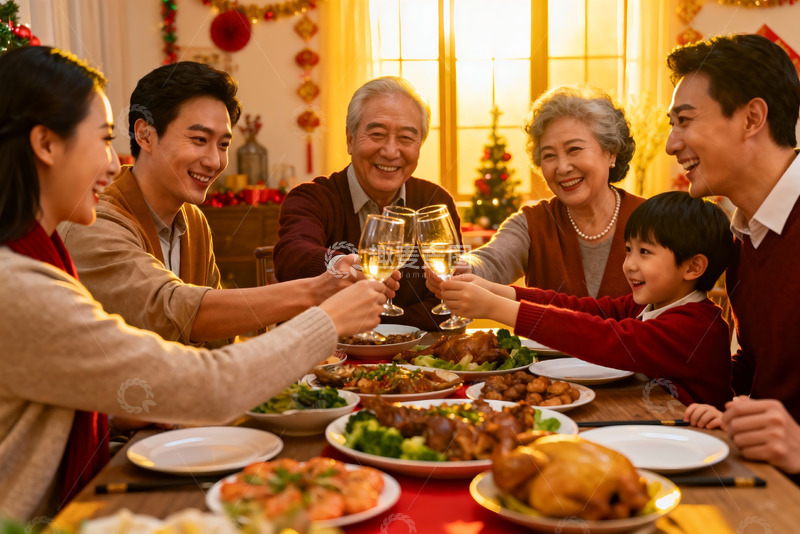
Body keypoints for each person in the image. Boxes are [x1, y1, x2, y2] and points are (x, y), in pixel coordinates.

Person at [0, 46, 387, 520]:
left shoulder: (187, 223)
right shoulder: (24, 285)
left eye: (222, 143)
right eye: (102, 140)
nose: (110, 163)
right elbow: (203, 363)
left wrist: (133, 405)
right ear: (46, 144)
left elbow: (210, 342)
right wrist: (323, 311)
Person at [58, 61, 384, 347]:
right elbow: (175, 309)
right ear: (144, 135)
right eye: (199, 140)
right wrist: (317, 290)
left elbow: (219, 341)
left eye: (223, 144)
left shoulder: (193, 221)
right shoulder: (95, 220)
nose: (214, 161)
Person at [440, 192, 735, 408]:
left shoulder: (695, 328)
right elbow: (586, 309)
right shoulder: (650, 305)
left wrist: (495, 309)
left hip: (697, 441)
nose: (629, 264)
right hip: (655, 422)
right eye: (629, 250)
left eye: (645, 252)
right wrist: (498, 291)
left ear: (693, 267)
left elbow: (606, 338)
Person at [664, 33, 800, 476]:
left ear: (752, 118)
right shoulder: (744, 238)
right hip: (761, 479)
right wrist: (720, 405)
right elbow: (762, 362)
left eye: (684, 120)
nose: (671, 144)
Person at [273, 76, 460, 332]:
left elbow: (445, 304)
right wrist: (339, 267)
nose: (391, 151)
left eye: (406, 138)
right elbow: (291, 258)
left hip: (416, 361)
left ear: (420, 146)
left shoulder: (435, 203)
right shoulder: (312, 198)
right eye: (377, 134)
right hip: (329, 358)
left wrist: (374, 328)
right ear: (350, 139)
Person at [428, 86, 646, 300]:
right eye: (549, 156)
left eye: (574, 150)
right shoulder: (531, 224)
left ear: (611, 153)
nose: (562, 167)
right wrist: (464, 268)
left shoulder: (652, 218)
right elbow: (492, 260)